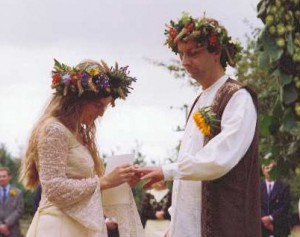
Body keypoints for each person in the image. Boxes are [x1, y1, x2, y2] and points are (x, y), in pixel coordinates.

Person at [137, 12, 261, 237]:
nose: (185, 62)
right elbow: (189, 167)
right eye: (181, 54)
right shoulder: (199, 100)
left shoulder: (237, 97)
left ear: (216, 52)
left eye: (193, 53)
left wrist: (167, 171)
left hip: (226, 225)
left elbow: (219, 158)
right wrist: (175, 225)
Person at [20, 59, 143, 237]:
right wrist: (104, 181)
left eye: (105, 107)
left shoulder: (79, 133)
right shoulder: (54, 129)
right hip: (58, 226)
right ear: (77, 100)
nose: (101, 113)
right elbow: (54, 189)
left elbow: (84, 189)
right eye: (98, 105)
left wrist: (118, 183)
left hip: (79, 227)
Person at [261, 161, 290, 237]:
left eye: (272, 168)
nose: (270, 171)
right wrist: (265, 221)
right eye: (267, 168)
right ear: (263, 170)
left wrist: (271, 218)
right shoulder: (257, 188)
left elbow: (285, 206)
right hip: (262, 229)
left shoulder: (284, 187)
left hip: (279, 229)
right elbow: (255, 205)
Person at [0, 167, 24, 237]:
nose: (1, 178)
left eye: (4, 176)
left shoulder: (18, 193)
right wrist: (0, 226)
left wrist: (6, 224)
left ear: (9, 177)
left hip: (13, 230)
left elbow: (19, 210)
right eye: (0, 176)